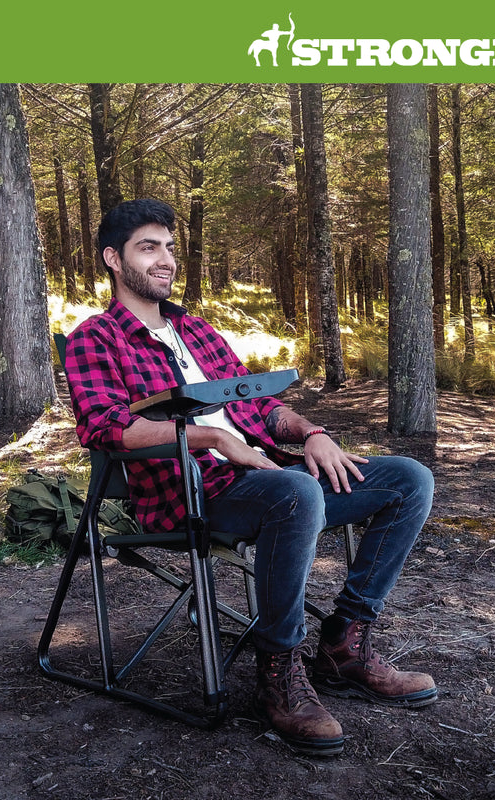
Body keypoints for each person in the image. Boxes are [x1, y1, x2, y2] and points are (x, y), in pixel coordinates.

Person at [65, 198, 437, 756]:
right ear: (113, 260)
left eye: (169, 247)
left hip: (270, 482)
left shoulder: (200, 334)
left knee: (408, 478)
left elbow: (261, 409)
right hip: (188, 493)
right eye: (149, 248)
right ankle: (279, 671)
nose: (165, 260)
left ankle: (345, 643)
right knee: (295, 489)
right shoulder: (95, 338)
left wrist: (311, 432)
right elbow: (106, 425)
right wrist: (212, 439)